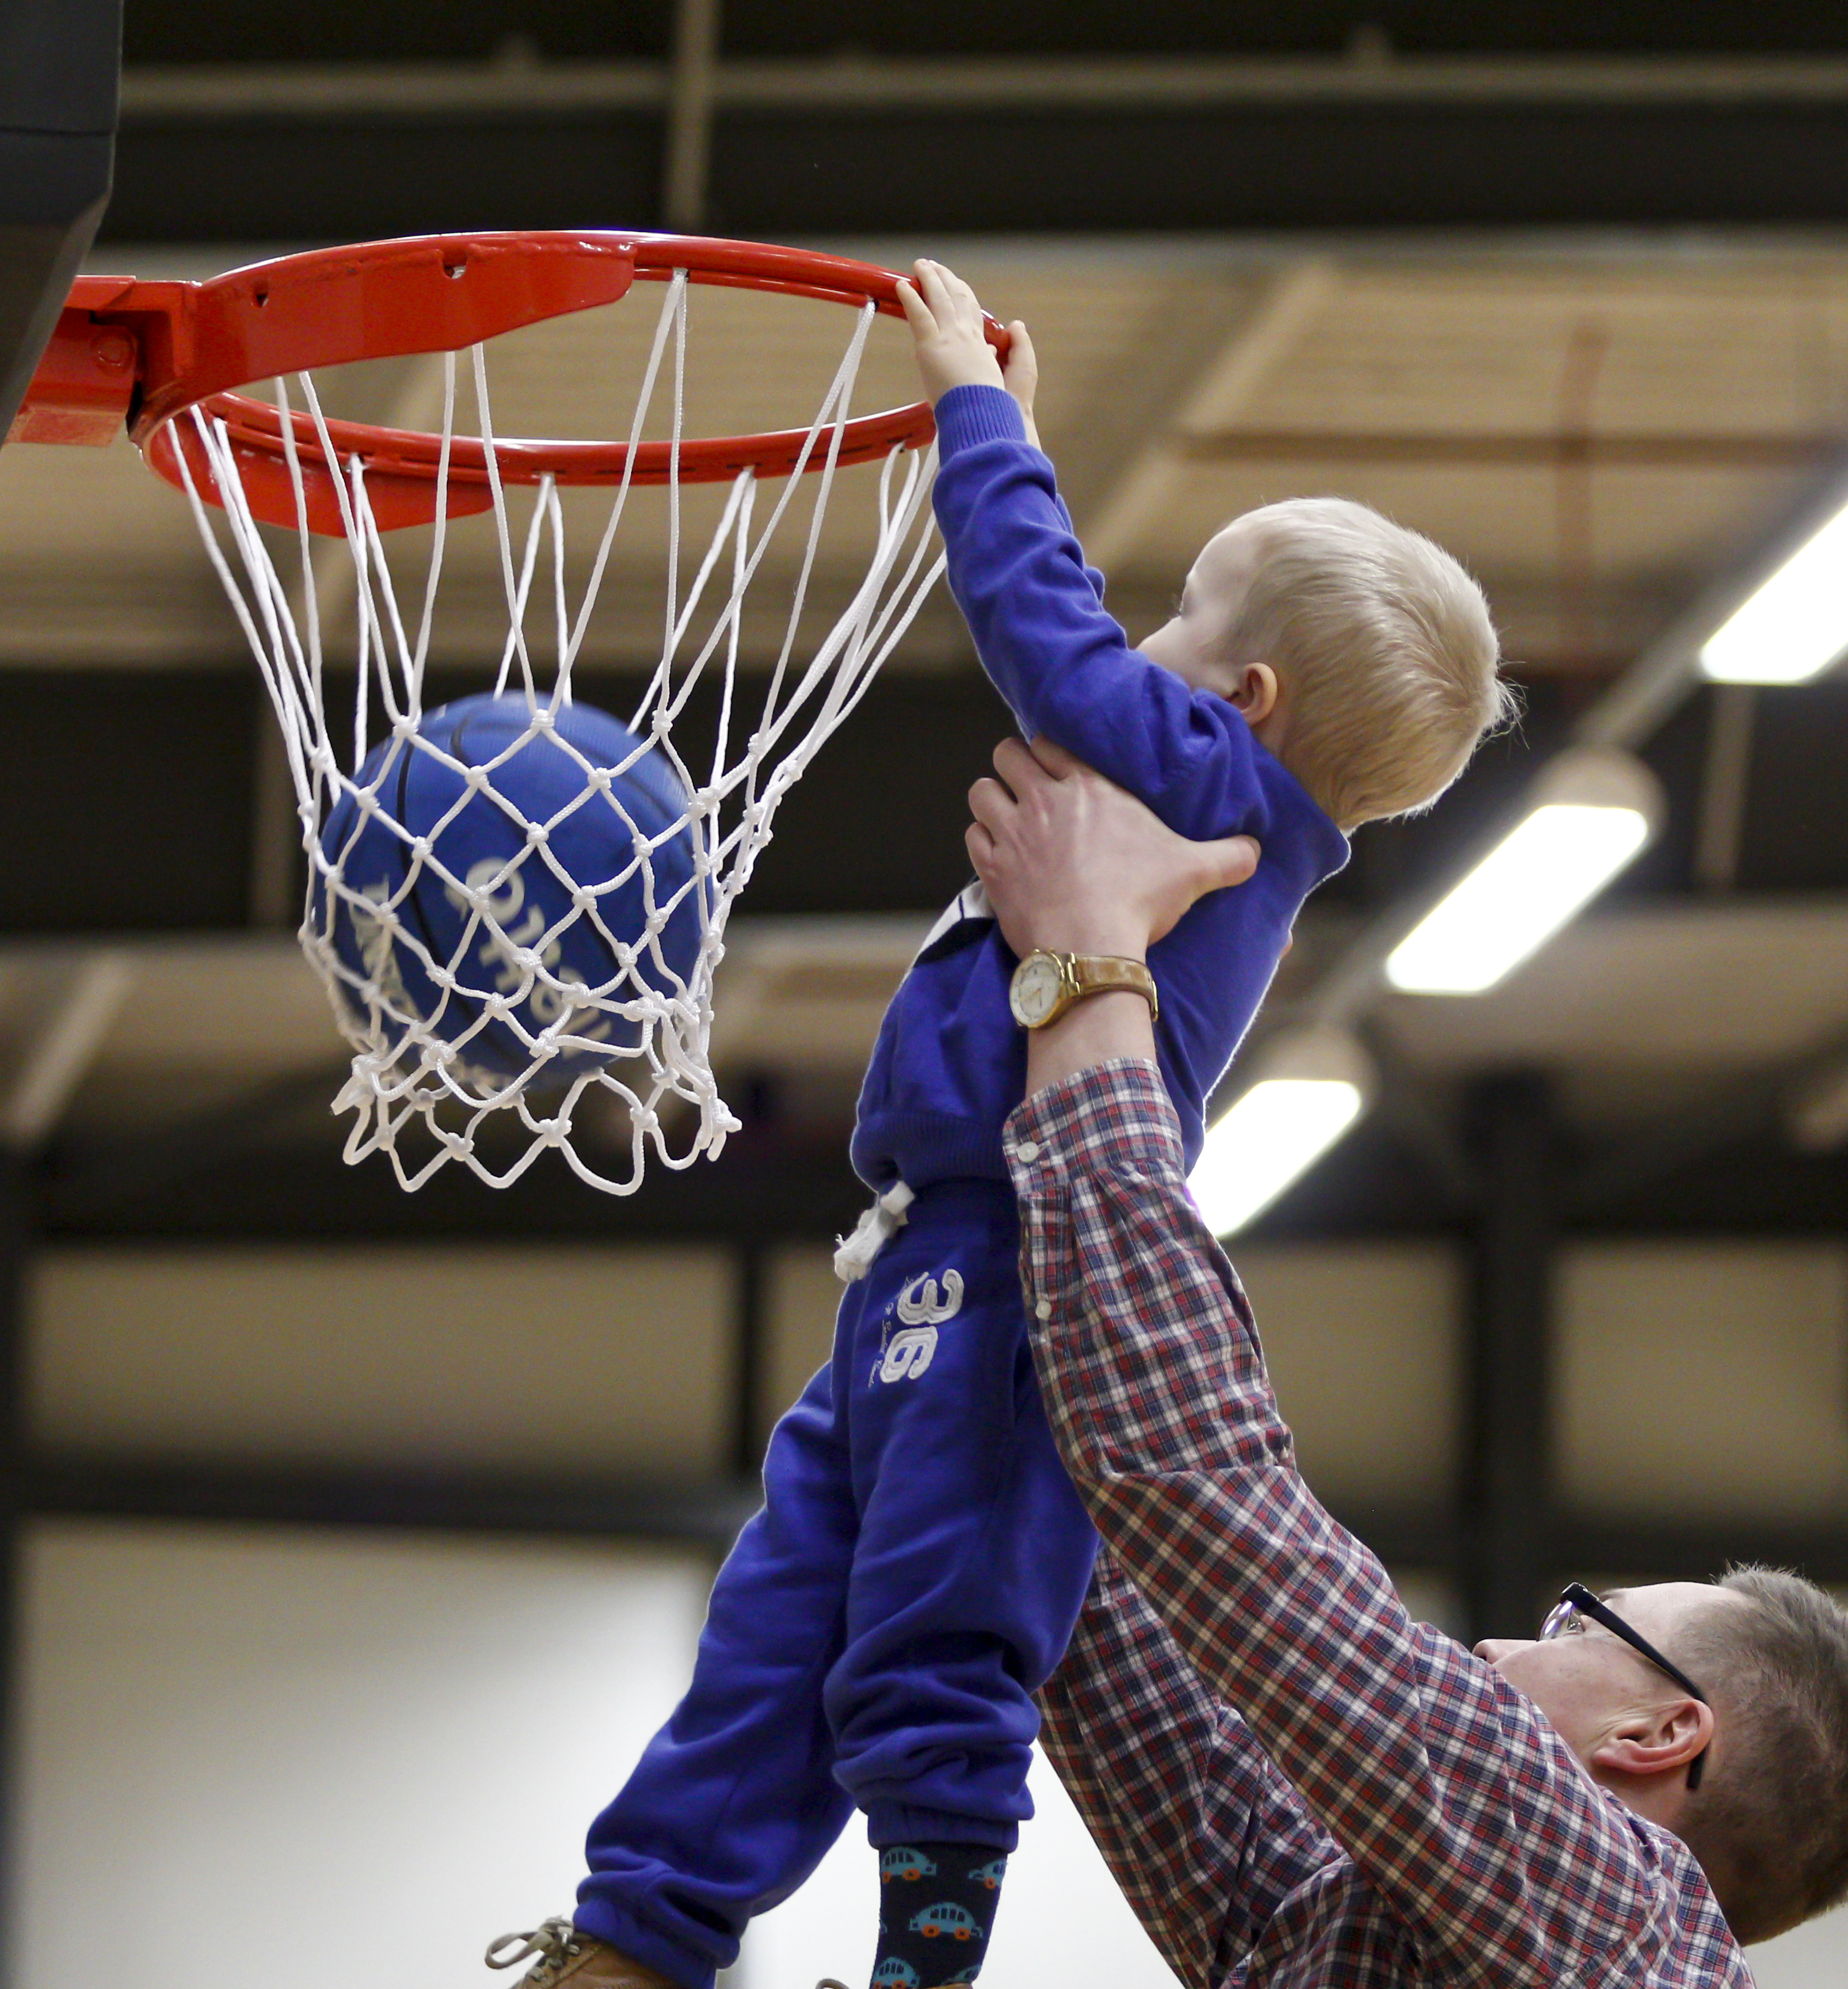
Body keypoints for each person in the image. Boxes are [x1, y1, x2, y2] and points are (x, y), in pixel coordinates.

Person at [490, 261, 1514, 1989]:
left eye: (1182, 615)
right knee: (779, 1621)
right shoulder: (1201, 773)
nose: (1139, 634)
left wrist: (985, 416)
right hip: (913, 1261)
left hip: (1008, 1265)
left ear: (1237, 700)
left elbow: (1039, 626)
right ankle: (634, 1935)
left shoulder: (1209, 787)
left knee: (934, 1619)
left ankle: (925, 1950)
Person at [960, 741, 1848, 1981]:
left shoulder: (1613, 1912)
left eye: (1579, 1623)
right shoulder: (1388, 1928)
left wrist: (1090, 956)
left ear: (1661, 1729)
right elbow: (1125, 1637)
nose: (1492, 1653)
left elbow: (1194, 1484)